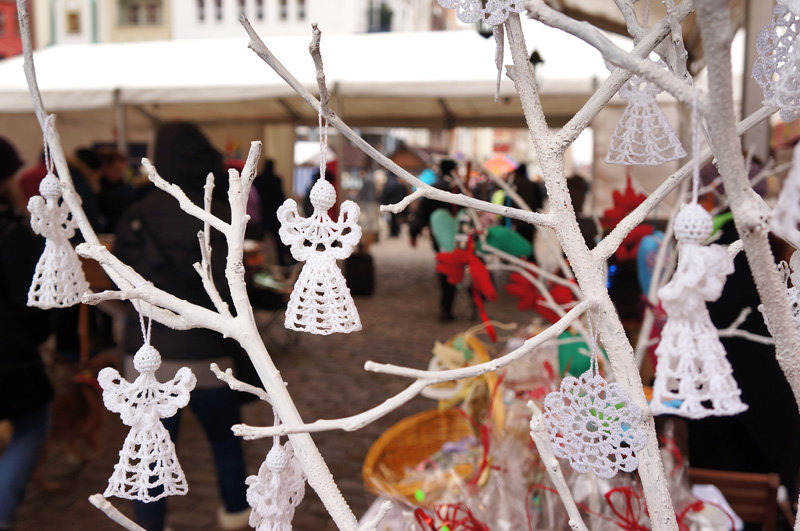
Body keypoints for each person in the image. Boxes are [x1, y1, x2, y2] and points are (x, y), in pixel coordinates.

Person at [114, 122, 250, 531]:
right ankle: (235, 518)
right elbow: (237, 284)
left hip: (148, 360)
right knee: (226, 443)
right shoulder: (219, 215)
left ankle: (150, 526)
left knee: (151, 454)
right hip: (209, 354)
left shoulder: (137, 214)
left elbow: (120, 284)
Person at [0, 136, 53, 531]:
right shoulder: (10, 230)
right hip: (9, 354)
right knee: (31, 426)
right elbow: (29, 297)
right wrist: (37, 332)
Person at [410, 159, 460, 321]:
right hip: (458, 238)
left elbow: (421, 213)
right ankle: (448, 305)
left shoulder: (436, 188)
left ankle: (447, 305)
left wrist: (414, 232)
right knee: (453, 267)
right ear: (453, 171)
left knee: (445, 268)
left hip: (439, 239)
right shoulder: (456, 189)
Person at [252, 159, 292, 266]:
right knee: (278, 241)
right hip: (274, 214)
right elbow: (281, 198)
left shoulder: (258, 180)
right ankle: (282, 263)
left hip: (262, 214)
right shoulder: (276, 180)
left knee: (260, 242)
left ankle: (260, 265)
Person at [97, 148, 141, 233]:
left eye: (121, 170)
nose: (119, 174)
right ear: (105, 167)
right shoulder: (98, 190)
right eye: (116, 170)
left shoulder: (126, 188)